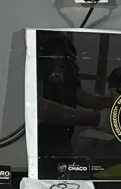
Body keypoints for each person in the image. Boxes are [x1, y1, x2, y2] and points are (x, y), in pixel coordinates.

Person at [35, 32, 113, 175]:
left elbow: (78, 94)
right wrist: (100, 119)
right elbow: (39, 107)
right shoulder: (38, 45)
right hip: (42, 149)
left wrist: (120, 101)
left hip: (64, 147)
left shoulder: (66, 46)